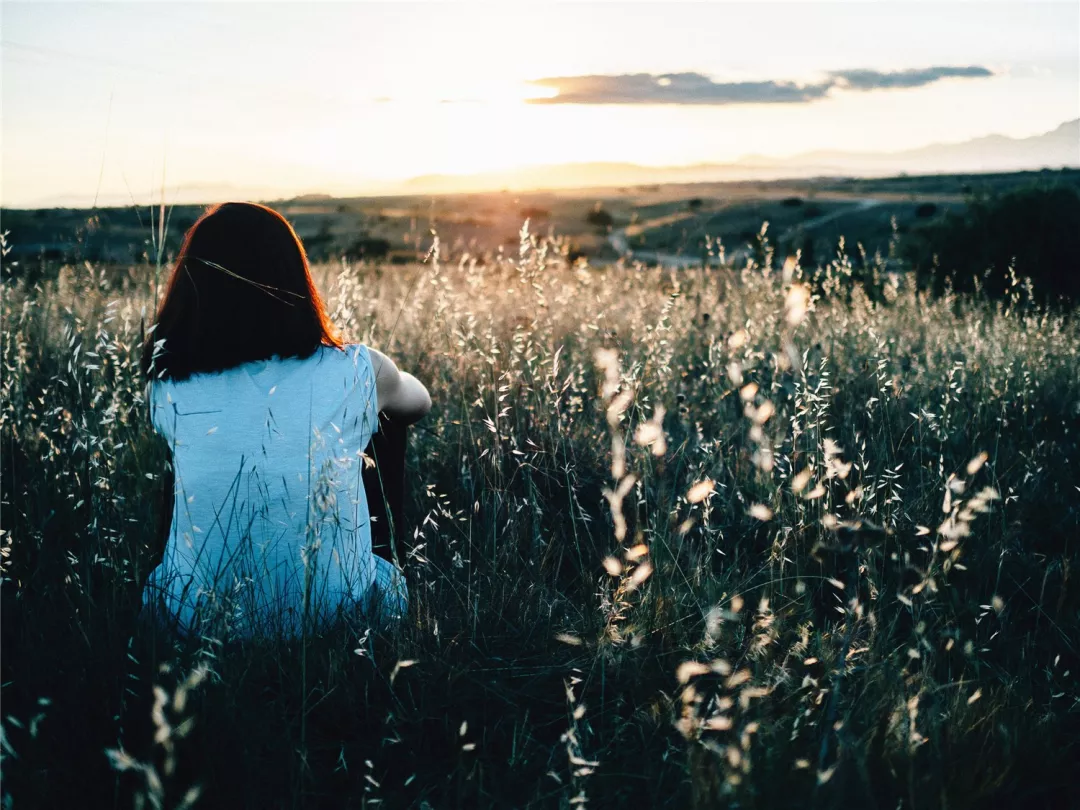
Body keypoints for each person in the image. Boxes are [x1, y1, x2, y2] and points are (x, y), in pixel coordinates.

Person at [140, 202, 431, 639]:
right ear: (296, 278)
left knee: (186, 452)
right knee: (382, 423)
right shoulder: (356, 368)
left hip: (194, 620)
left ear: (193, 285)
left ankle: (199, 572)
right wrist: (378, 382)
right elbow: (419, 403)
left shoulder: (167, 383)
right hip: (337, 614)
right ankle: (380, 565)